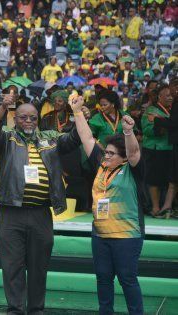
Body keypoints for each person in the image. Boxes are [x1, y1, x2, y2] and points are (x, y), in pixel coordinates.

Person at [0, 93, 82, 315]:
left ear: (38, 120)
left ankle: (36, 310)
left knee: (39, 267)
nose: (28, 121)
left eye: (33, 118)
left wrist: (79, 116)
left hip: (41, 214)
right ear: (15, 119)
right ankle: (16, 310)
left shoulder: (50, 138)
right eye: (23, 118)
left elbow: (74, 140)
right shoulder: (7, 139)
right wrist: (2, 108)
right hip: (11, 214)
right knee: (12, 267)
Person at [69, 94, 145, 315]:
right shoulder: (102, 166)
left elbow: (133, 152)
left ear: (122, 158)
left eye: (111, 154)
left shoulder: (132, 170)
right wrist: (76, 111)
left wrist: (128, 132)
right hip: (100, 235)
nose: (106, 156)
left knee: (127, 279)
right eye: (106, 152)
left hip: (126, 236)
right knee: (103, 279)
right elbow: (87, 139)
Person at [142, 84, 174, 218]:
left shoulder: (174, 110)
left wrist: (161, 121)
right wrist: (162, 127)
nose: (170, 98)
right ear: (159, 97)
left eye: (171, 95)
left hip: (171, 149)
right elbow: (146, 129)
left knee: (170, 180)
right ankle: (155, 207)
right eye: (167, 95)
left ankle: (167, 208)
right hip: (154, 149)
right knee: (154, 179)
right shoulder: (151, 109)